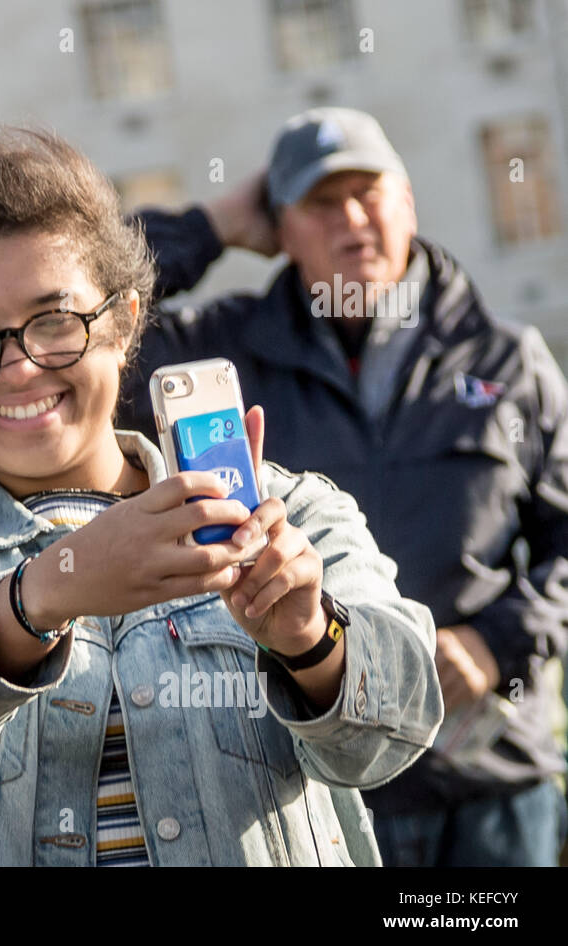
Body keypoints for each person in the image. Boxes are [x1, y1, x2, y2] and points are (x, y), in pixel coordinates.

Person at [0, 8, 444, 865]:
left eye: (54, 323)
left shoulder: (289, 514)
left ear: (125, 327)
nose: (17, 369)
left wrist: (308, 636)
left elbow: (399, 725)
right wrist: (48, 590)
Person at [120, 107, 568, 866]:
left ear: (409, 202)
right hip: (313, 784)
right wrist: (215, 223)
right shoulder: (221, 355)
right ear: (278, 229)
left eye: (370, 192)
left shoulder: (506, 360)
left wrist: (497, 645)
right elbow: (89, 311)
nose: (353, 218)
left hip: (490, 784)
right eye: (322, 203)